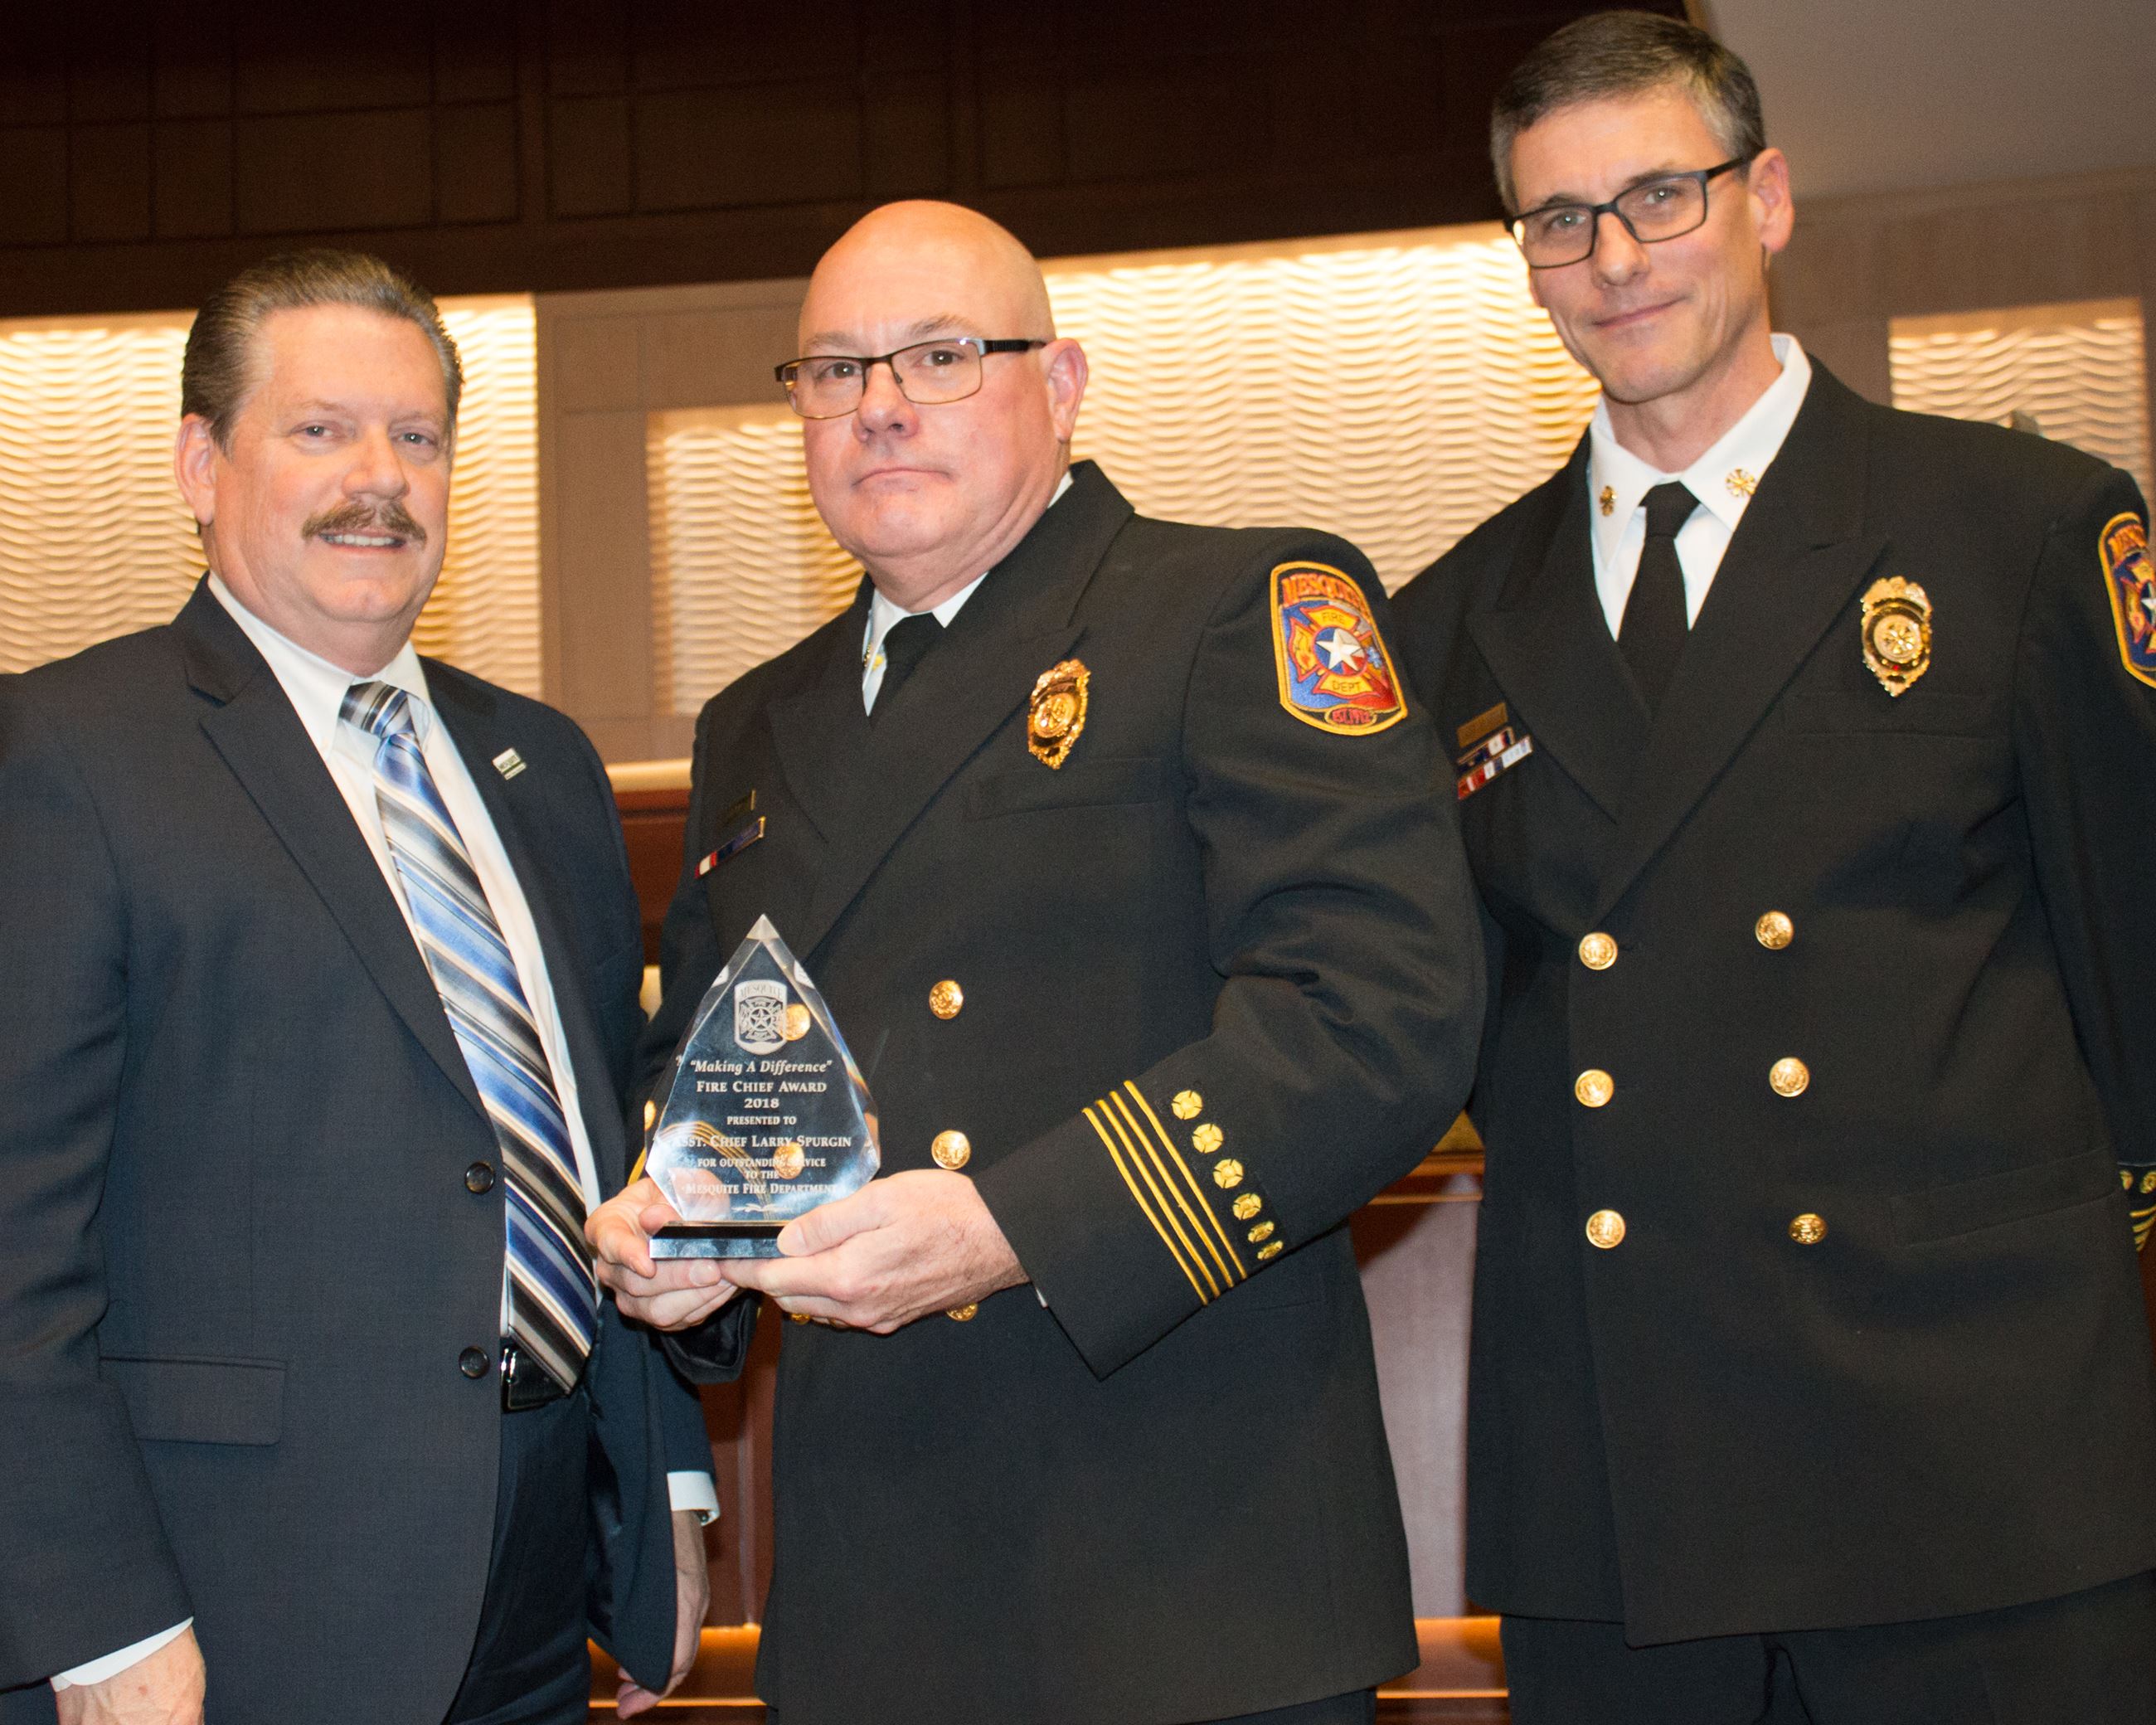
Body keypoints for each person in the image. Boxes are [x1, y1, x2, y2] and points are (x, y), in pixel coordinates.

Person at [587, 199, 1484, 1725]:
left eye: (939, 356)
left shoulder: (1233, 607)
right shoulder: (756, 721)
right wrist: (682, 1238)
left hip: (1187, 1579)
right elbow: (724, 1069)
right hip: (877, 1590)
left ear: (1060, 385)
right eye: (833, 370)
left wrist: (1012, 1224)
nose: (878, 406)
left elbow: (1376, 1021)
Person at [1389, 12, 2156, 1721]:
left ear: (1770, 198)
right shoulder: (1444, 622)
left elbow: (2142, 971)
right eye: (1559, 220)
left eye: (1659, 193)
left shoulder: (2017, 530)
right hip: (1617, 1482)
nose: (1613, 257)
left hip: (1974, 1458)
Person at [0, 251, 715, 1725]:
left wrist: (670, 1487)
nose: (377, 479)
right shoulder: (67, 754)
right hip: (230, 1601)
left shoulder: (545, 765)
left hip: (537, 1588)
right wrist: (98, 1625)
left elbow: (602, 1147)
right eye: (320, 431)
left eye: (419, 436)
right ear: (203, 464)